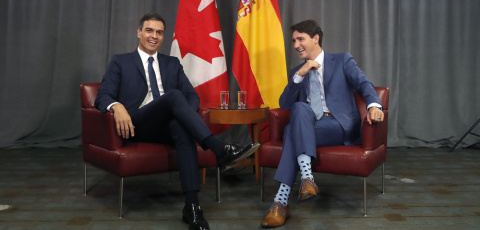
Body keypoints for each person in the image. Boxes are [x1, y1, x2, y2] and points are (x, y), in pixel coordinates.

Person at [95, 12, 259, 230]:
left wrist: (184, 116)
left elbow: (192, 96)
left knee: (181, 125)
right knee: (172, 96)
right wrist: (117, 106)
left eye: (159, 32)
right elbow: (102, 96)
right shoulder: (121, 61)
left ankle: (192, 208)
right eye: (149, 30)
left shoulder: (172, 63)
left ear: (163, 36)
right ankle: (220, 149)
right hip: (137, 124)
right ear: (139, 32)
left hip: (167, 126)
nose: (154, 36)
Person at [260, 20, 384, 228]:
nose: (296, 45)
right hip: (310, 124)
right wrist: (300, 74)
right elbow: (284, 104)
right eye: (293, 41)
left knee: (292, 130)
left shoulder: (342, 60)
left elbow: (363, 83)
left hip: (337, 124)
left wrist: (374, 104)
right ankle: (306, 180)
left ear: (315, 38)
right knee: (299, 109)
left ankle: (281, 202)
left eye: (301, 39)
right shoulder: (297, 72)